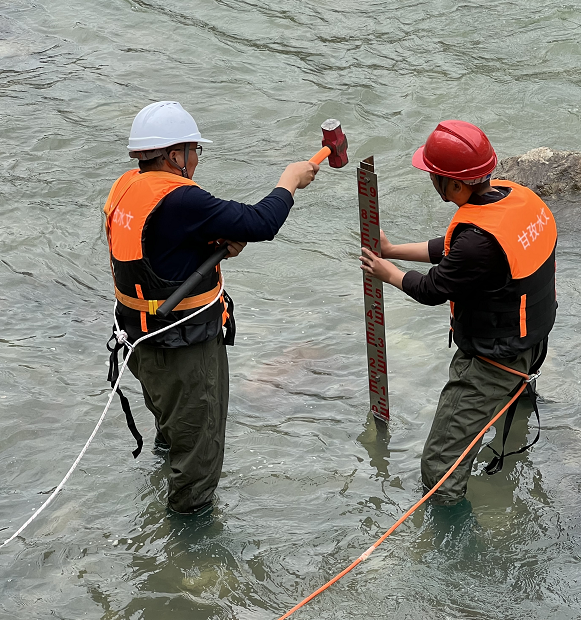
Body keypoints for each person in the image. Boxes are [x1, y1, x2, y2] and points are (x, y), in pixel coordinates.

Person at [103, 101, 318, 514]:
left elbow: (152, 257)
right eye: (195, 150)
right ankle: (189, 551)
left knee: (172, 429)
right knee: (199, 455)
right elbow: (261, 223)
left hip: (139, 342)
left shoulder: (126, 187)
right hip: (183, 349)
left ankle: (168, 470)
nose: (197, 160)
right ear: (174, 155)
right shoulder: (182, 200)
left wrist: (208, 248)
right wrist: (290, 180)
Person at [359, 120, 557, 505]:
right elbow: (455, 250)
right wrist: (394, 250)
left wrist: (388, 274)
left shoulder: (476, 243)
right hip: (532, 343)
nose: (432, 180)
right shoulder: (516, 199)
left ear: (455, 185)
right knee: (507, 414)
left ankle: (451, 546)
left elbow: (434, 287)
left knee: (439, 467)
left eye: (435, 175)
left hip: (491, 362)